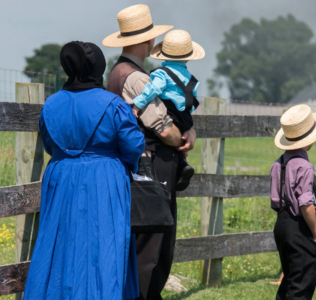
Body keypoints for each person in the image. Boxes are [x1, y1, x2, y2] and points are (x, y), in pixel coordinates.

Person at [22, 41, 145, 299]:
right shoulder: (113, 104)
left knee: (60, 243)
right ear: (97, 67)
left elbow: (49, 144)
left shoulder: (51, 104)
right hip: (104, 179)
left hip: (62, 177)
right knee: (104, 244)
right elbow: (133, 146)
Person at [103, 4, 197, 300]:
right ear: (144, 42)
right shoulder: (138, 78)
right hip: (154, 160)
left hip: (136, 159)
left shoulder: (117, 72)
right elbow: (163, 128)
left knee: (142, 234)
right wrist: (184, 137)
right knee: (156, 237)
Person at [131, 29, 205, 191]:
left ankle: (174, 164)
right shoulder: (190, 76)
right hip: (186, 117)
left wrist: (137, 104)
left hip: (170, 113)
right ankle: (183, 162)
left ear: (163, 54)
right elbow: (192, 100)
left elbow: (152, 90)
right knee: (182, 143)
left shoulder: (161, 74)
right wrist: (187, 122)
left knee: (152, 134)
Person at [270, 104, 316, 299]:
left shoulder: (277, 164)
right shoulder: (305, 166)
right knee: (301, 284)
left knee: (289, 280)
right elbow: (305, 203)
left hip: (281, 225)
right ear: (309, 140)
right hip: (298, 225)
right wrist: (314, 231)